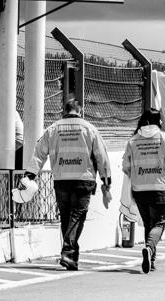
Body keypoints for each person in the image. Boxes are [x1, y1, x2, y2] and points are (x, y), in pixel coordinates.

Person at [25, 99, 111, 271]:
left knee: (67, 219)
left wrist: (30, 174)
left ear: (64, 111)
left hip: (61, 181)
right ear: (80, 111)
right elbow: (101, 156)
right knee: (77, 217)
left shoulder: (52, 129)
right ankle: (68, 250)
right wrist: (106, 180)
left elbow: (38, 153)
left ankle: (73, 257)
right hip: (83, 180)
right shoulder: (90, 129)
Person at [123, 108, 165, 274]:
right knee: (158, 224)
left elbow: (126, 167)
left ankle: (152, 260)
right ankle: (149, 249)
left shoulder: (133, 141)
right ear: (159, 122)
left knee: (148, 224)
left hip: (139, 190)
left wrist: (138, 176)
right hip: (159, 188)